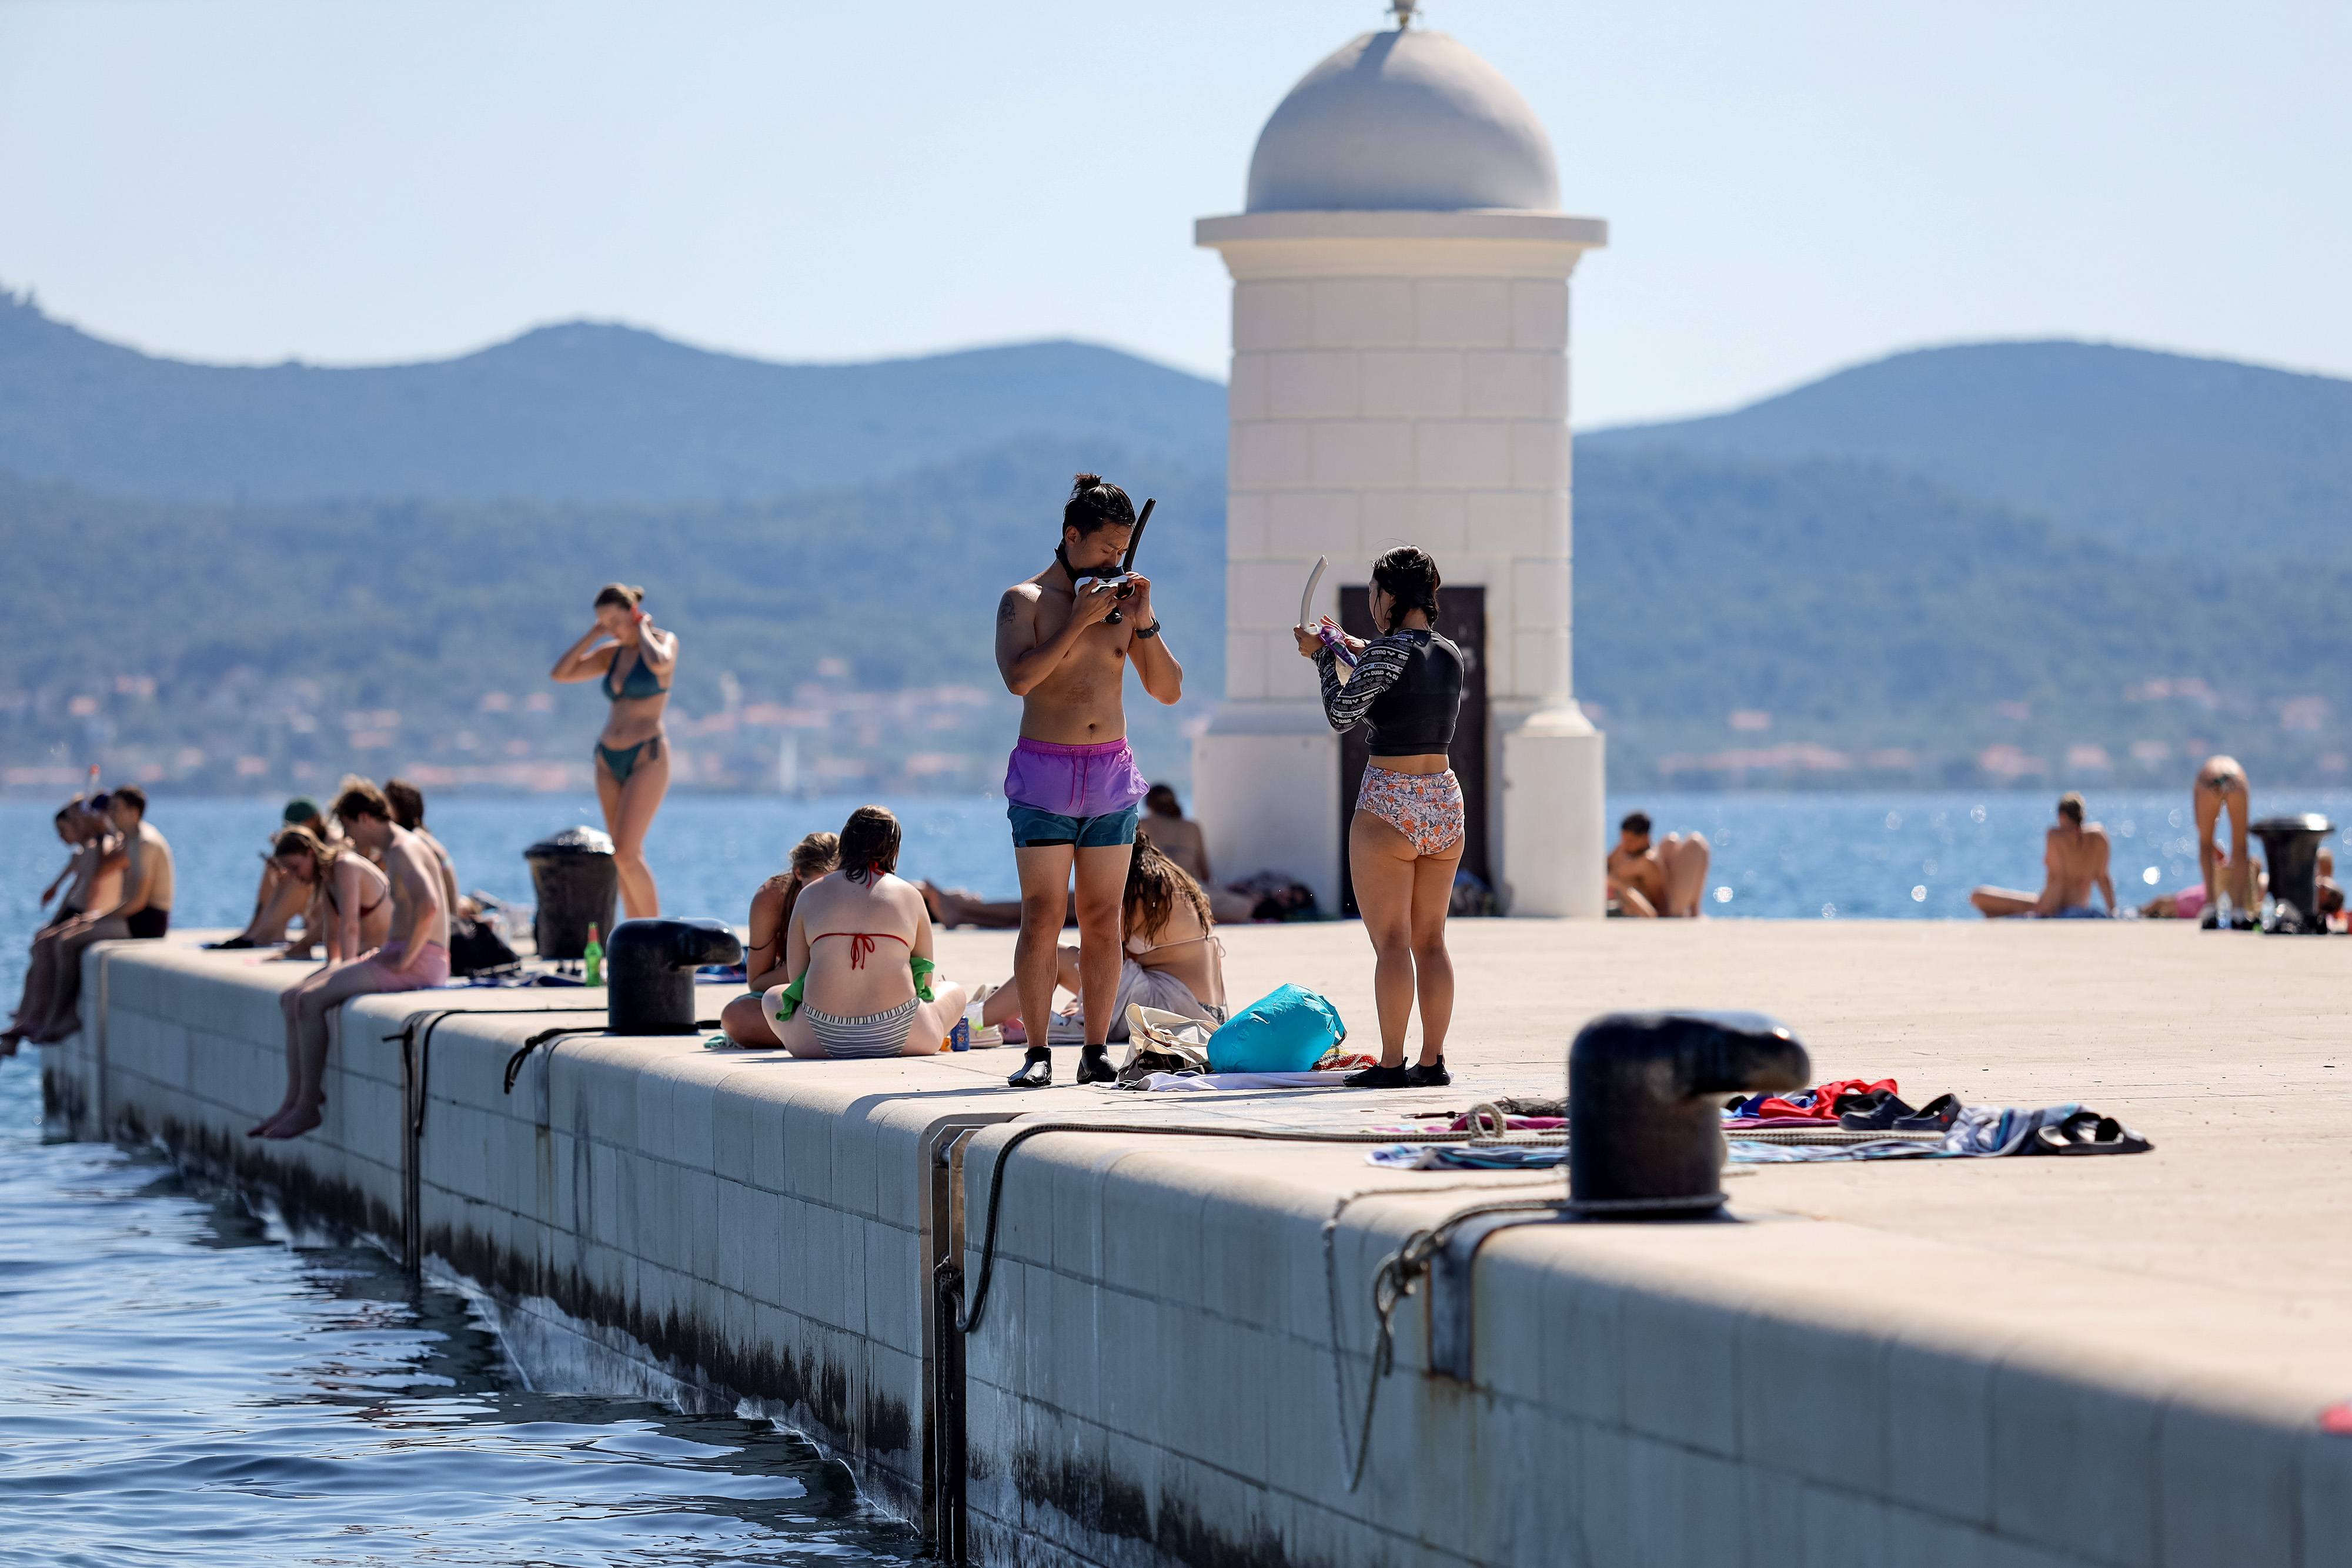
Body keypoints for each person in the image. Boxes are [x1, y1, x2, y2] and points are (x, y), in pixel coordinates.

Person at [992, 473, 1182, 1088]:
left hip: (1109, 772)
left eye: (1122, 552)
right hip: (1045, 773)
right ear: (1070, 536)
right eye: (1104, 549)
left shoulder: (1122, 606)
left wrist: (1143, 620)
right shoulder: (1023, 601)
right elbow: (1020, 679)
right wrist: (1077, 620)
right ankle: (1038, 1050)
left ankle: (1097, 1047)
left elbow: (1168, 690)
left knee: (1103, 918)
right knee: (1043, 913)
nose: (1114, 562)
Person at [1294, 546, 1463, 1089]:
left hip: (1389, 801)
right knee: (1431, 941)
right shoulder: (1452, 653)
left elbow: (1342, 713)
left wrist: (1322, 657)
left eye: (1374, 592)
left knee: (1391, 942)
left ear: (1390, 595)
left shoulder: (1384, 656)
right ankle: (1432, 1060)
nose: (1371, 601)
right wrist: (1341, 641)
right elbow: (1394, 663)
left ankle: (1392, 1064)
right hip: (1443, 800)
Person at [252, 781, 450, 1139]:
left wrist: (406, 960)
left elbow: (430, 904)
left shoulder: (403, 849)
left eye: (347, 827)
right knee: (294, 997)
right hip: (402, 953)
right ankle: (294, 1100)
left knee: (311, 1002)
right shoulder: (398, 847)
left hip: (420, 960)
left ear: (363, 818)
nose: (346, 836)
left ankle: (308, 1105)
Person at [754, 807, 968, 1060]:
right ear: (894, 850)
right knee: (953, 990)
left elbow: (797, 980)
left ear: (844, 844)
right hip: (906, 1036)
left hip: (817, 1040)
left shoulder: (809, 894)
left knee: (772, 997)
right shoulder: (910, 894)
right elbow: (926, 982)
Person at [977, 830, 1228, 1043]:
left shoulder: (1139, 885)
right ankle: (987, 1015)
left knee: (1058, 957)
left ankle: (971, 1021)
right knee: (1075, 962)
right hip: (1206, 1011)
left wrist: (1084, 1000)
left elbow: (1103, 946)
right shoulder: (1162, 876)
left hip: (1176, 1008)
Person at [550, 583, 676, 919]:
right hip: (608, 757)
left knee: (627, 854)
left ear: (635, 614)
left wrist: (643, 630)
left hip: (646, 756)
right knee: (620, 854)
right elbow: (561, 673)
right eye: (604, 622)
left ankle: (653, 936)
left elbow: (661, 665)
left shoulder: (663, 641)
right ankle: (635, 935)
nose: (612, 629)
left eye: (617, 621)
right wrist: (594, 634)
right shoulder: (611, 653)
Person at [13, 786, 173, 1044]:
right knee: (62, 936)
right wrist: (96, 918)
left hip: (146, 922)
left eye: (115, 809)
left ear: (133, 812)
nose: (109, 813)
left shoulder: (145, 843)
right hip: (132, 917)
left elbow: (138, 902)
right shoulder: (132, 839)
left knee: (67, 943)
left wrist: (97, 919)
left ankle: (63, 1015)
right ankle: (48, 1015)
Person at [2, 800, 117, 1055]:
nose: (72, 829)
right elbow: (72, 881)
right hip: (76, 909)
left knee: (48, 946)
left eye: (74, 824)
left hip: (85, 912)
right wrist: (54, 893)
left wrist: (104, 826)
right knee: (40, 947)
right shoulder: (86, 850)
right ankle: (26, 1016)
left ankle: (36, 1016)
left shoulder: (102, 847)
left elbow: (93, 882)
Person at [719, 832, 841, 1047]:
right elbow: (757, 982)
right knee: (736, 1016)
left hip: (850, 997)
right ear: (799, 873)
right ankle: (832, 1035)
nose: (825, 895)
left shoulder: (854, 891)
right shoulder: (771, 899)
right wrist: (813, 965)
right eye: (817, 886)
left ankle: (818, 1036)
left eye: (833, 885)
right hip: (803, 997)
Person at [216, 797, 339, 950]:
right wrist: (281, 871)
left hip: (327, 911)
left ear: (314, 820)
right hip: (316, 909)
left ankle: (267, 934)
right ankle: (255, 929)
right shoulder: (309, 842)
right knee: (275, 868)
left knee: (298, 882)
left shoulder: (333, 842)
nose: (294, 833)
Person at [1970, 792, 2116, 918]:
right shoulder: (2099, 837)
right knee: (1992, 912)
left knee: (1978, 896)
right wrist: (2112, 911)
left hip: (2049, 907)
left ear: (2062, 816)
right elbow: (2103, 878)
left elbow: (2056, 877)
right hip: (2080, 905)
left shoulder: (2055, 837)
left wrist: (2048, 913)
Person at [1140, 784, 1256, 924]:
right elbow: (1205, 873)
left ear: (1149, 805)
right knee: (1244, 905)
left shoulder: (1142, 825)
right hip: (1189, 891)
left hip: (1153, 892)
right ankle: (1195, 914)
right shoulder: (1192, 827)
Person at [385, 778, 470, 921]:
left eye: (386, 806)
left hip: (441, 929)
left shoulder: (412, 843)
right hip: (450, 925)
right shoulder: (425, 839)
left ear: (399, 809)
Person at [1606, 812, 1713, 918]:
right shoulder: (1623, 849)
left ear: (1646, 838)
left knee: (1696, 844)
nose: (1627, 844)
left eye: (1631, 841)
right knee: (1670, 841)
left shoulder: (1648, 863)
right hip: (1630, 900)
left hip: (1661, 907)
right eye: (1624, 839)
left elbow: (1662, 902)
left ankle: (1695, 911)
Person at [2193, 755, 2254, 928]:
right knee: (2240, 843)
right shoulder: (2234, 766)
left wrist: (2215, 849)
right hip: (2236, 780)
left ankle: (2211, 906)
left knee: (2204, 843)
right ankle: (2239, 911)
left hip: (2208, 782)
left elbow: (2200, 827)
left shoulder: (2204, 773)